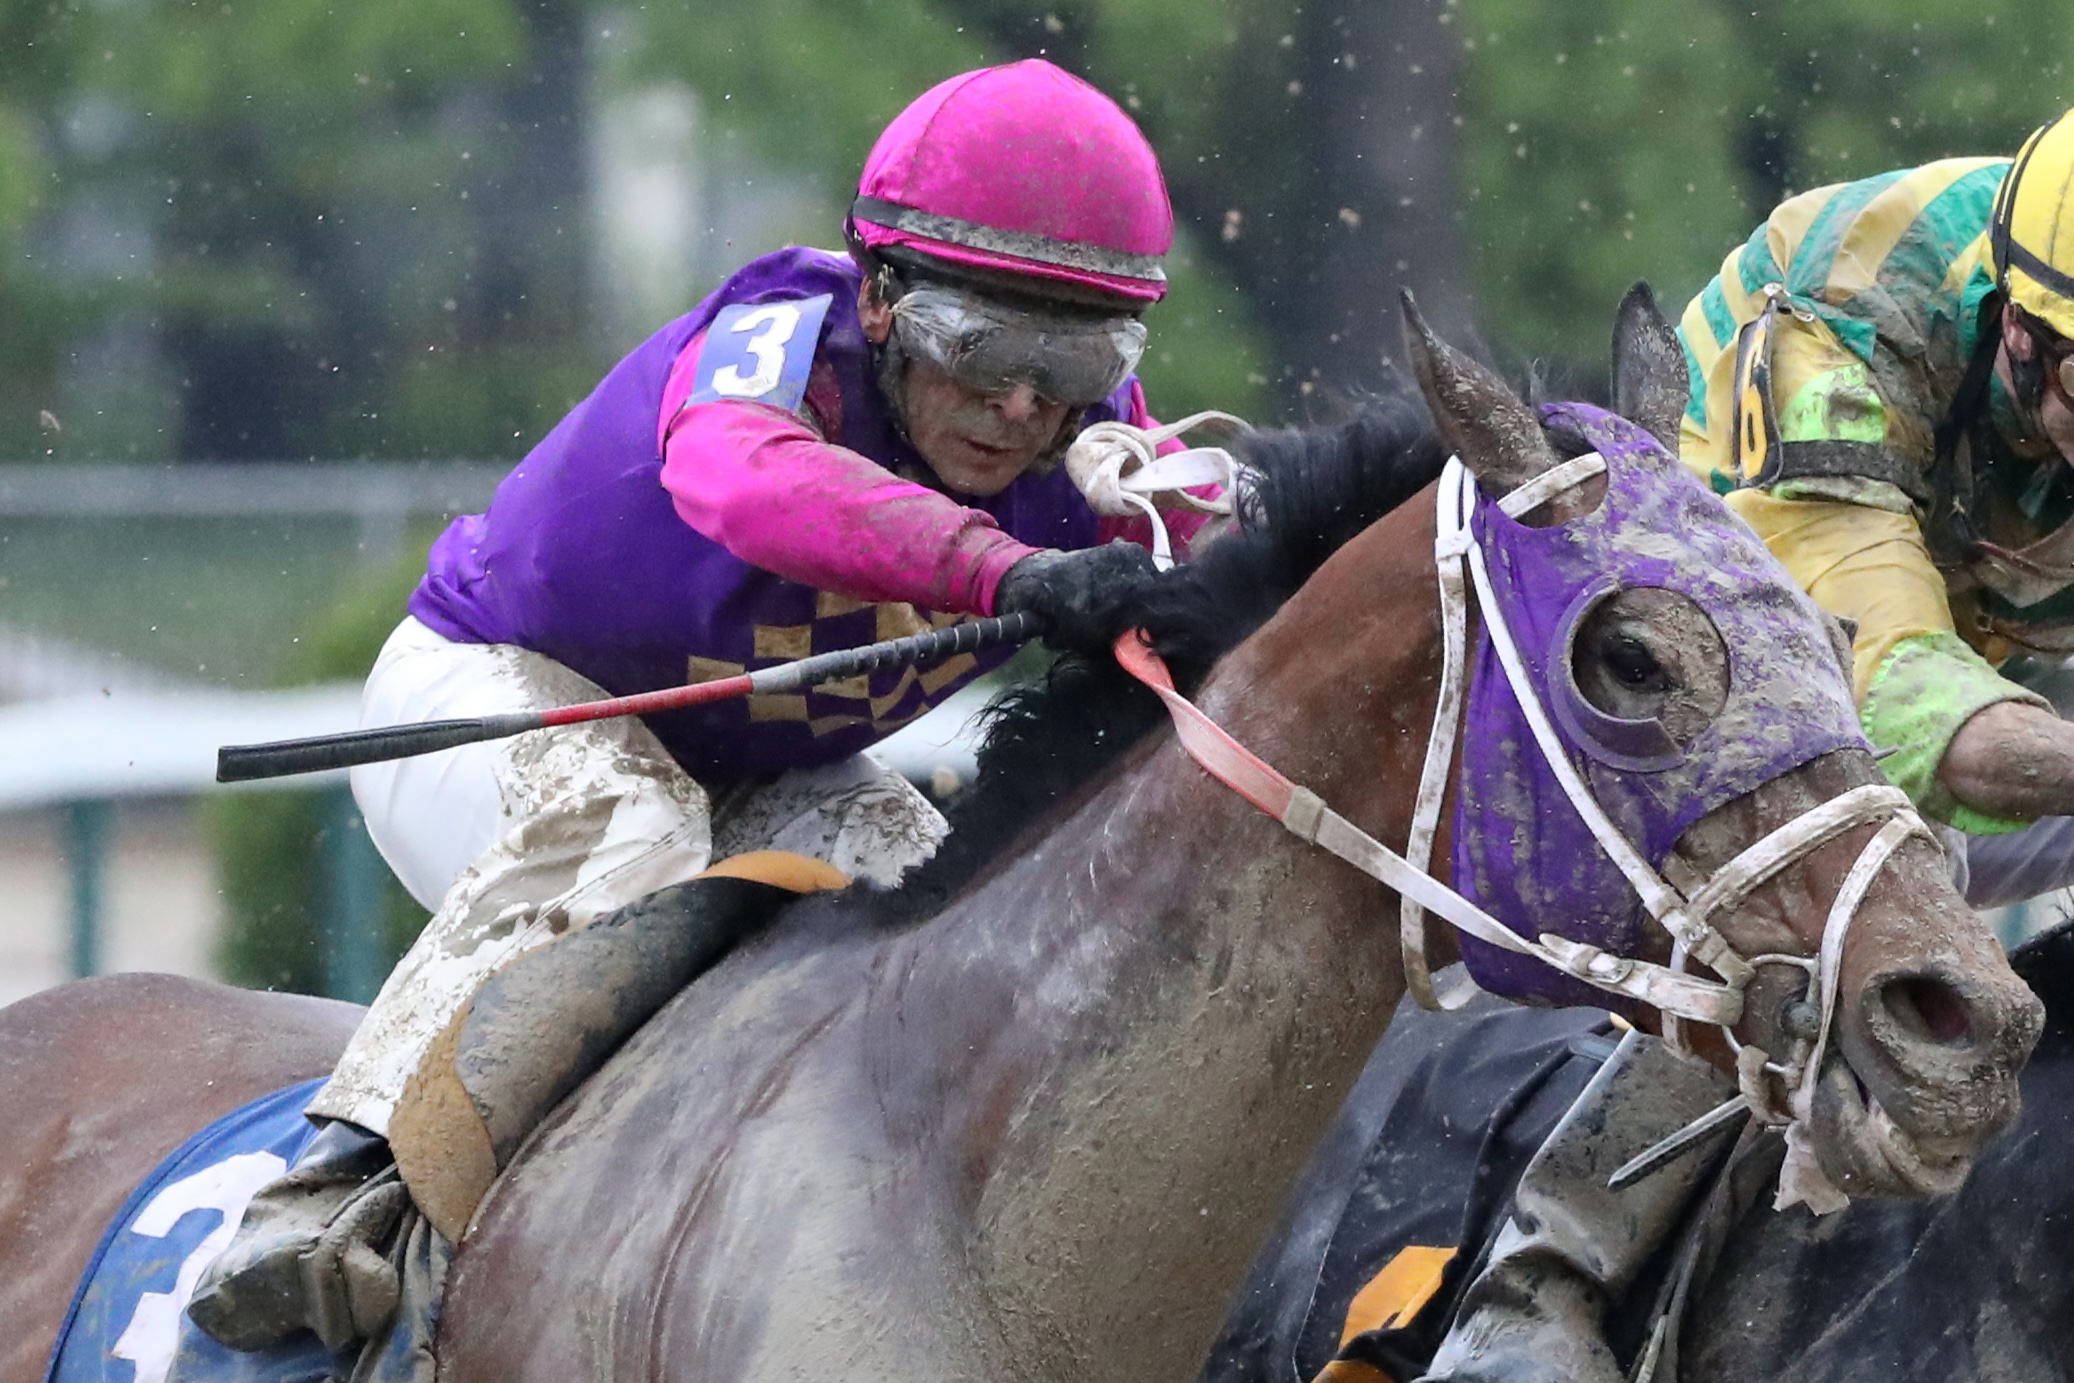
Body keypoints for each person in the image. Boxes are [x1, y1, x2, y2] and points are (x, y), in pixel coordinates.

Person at [182, 59, 1221, 1364]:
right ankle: (336, 1180)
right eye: (983, 346)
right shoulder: (789, 330)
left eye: (1072, 358)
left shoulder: (1095, 448)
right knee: (629, 829)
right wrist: (1003, 567)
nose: (1022, 404)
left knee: (944, 908)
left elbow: (1245, 559)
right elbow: (739, 476)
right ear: (885, 294)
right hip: (498, 687)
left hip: (755, 772)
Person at [1420, 108, 2074, 1383]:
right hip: (1770, 616)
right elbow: (1921, 717)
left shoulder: (2054, 346)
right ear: (2019, 324)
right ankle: (1539, 1291)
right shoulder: (1847, 308)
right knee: (1862, 834)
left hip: (1989, 623)